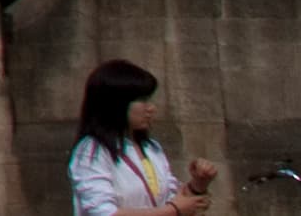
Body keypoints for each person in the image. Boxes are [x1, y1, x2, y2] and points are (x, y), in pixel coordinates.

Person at [72, 59, 216, 214]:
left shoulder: (150, 148)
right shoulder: (92, 151)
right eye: (142, 101)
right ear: (117, 103)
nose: (151, 108)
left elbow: (171, 201)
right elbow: (105, 212)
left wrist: (198, 184)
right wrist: (174, 210)